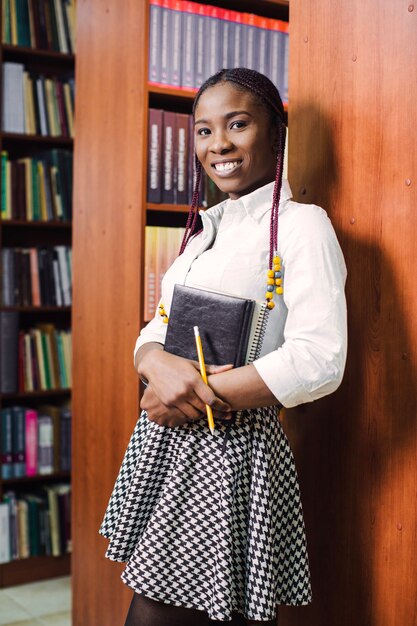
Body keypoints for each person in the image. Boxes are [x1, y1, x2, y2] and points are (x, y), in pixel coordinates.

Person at [100, 68, 347, 626]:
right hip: (166, 450)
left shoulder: (304, 227)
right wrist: (152, 362)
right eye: (204, 131)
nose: (220, 146)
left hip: (236, 455)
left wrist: (193, 394)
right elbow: (156, 325)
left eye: (238, 125)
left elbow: (321, 358)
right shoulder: (202, 231)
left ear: (275, 133)